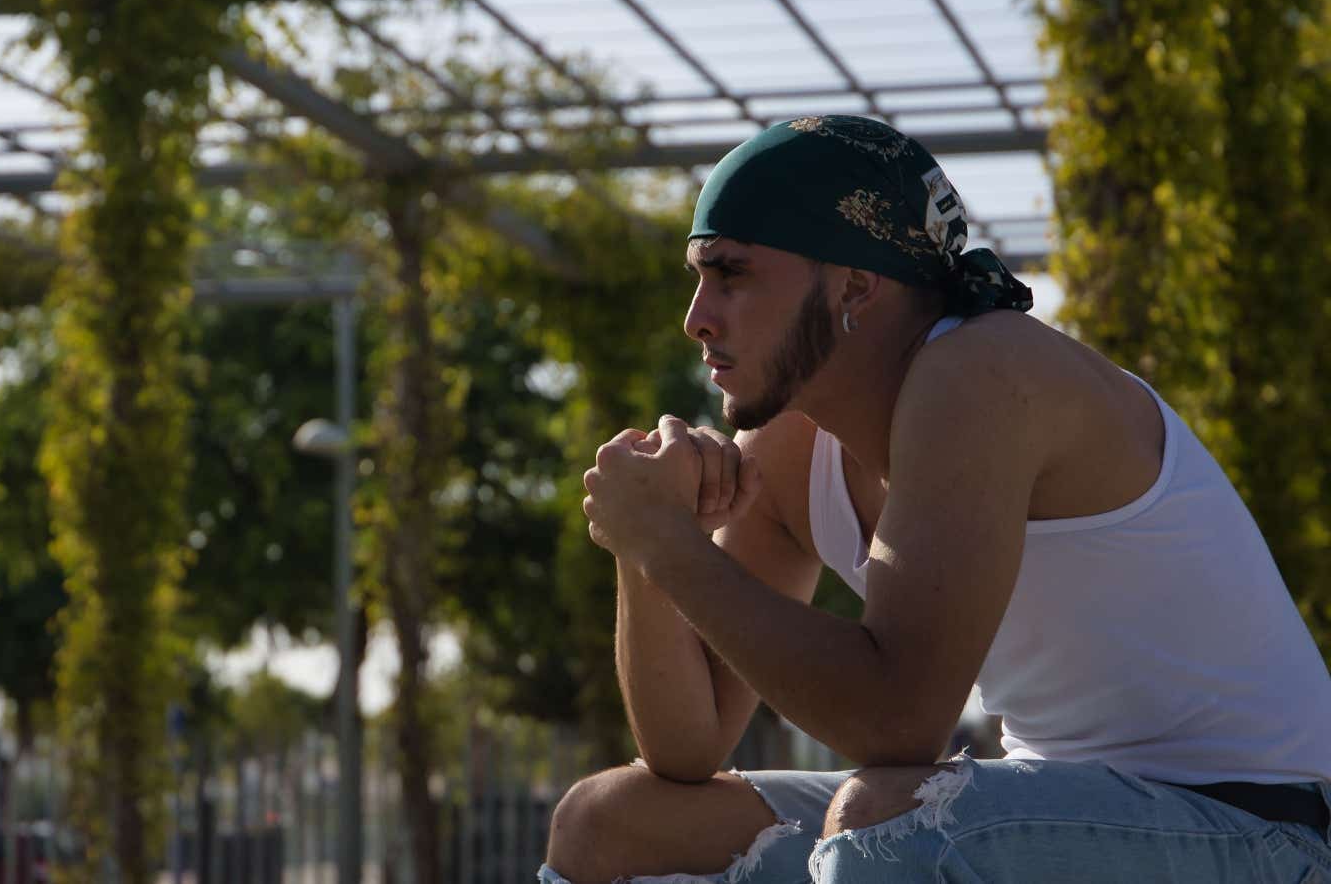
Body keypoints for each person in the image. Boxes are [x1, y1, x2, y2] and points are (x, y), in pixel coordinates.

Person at [538, 115, 1331, 883]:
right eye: (699, 275)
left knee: (888, 824)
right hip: (1054, 814)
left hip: (1267, 827)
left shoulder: (982, 371)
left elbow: (897, 720)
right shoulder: (784, 450)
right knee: (606, 822)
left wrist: (673, 548)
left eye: (732, 273)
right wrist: (651, 550)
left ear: (854, 283)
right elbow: (688, 746)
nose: (695, 318)